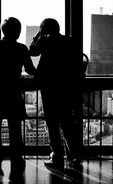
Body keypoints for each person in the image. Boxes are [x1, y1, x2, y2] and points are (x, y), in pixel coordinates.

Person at [29, 18, 83, 170]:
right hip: (67, 87)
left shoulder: (45, 41)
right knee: (66, 121)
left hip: (49, 86)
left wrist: (38, 35)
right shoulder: (70, 41)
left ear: (44, 29)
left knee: (52, 122)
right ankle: (74, 154)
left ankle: (57, 156)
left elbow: (32, 51)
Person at [0, 17, 36, 176]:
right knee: (15, 128)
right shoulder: (21, 48)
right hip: (13, 90)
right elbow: (30, 69)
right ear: (17, 32)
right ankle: (17, 157)